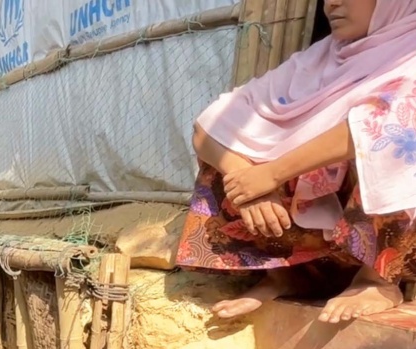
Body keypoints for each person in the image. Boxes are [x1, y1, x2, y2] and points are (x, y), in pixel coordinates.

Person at [177, 0, 416, 323]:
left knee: (397, 139)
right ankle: (288, 274)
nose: (332, 3)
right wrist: (247, 181)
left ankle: (378, 279)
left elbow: (377, 123)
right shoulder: (320, 59)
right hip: (333, 235)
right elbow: (209, 125)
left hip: (403, 242)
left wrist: (274, 173)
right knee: (235, 145)